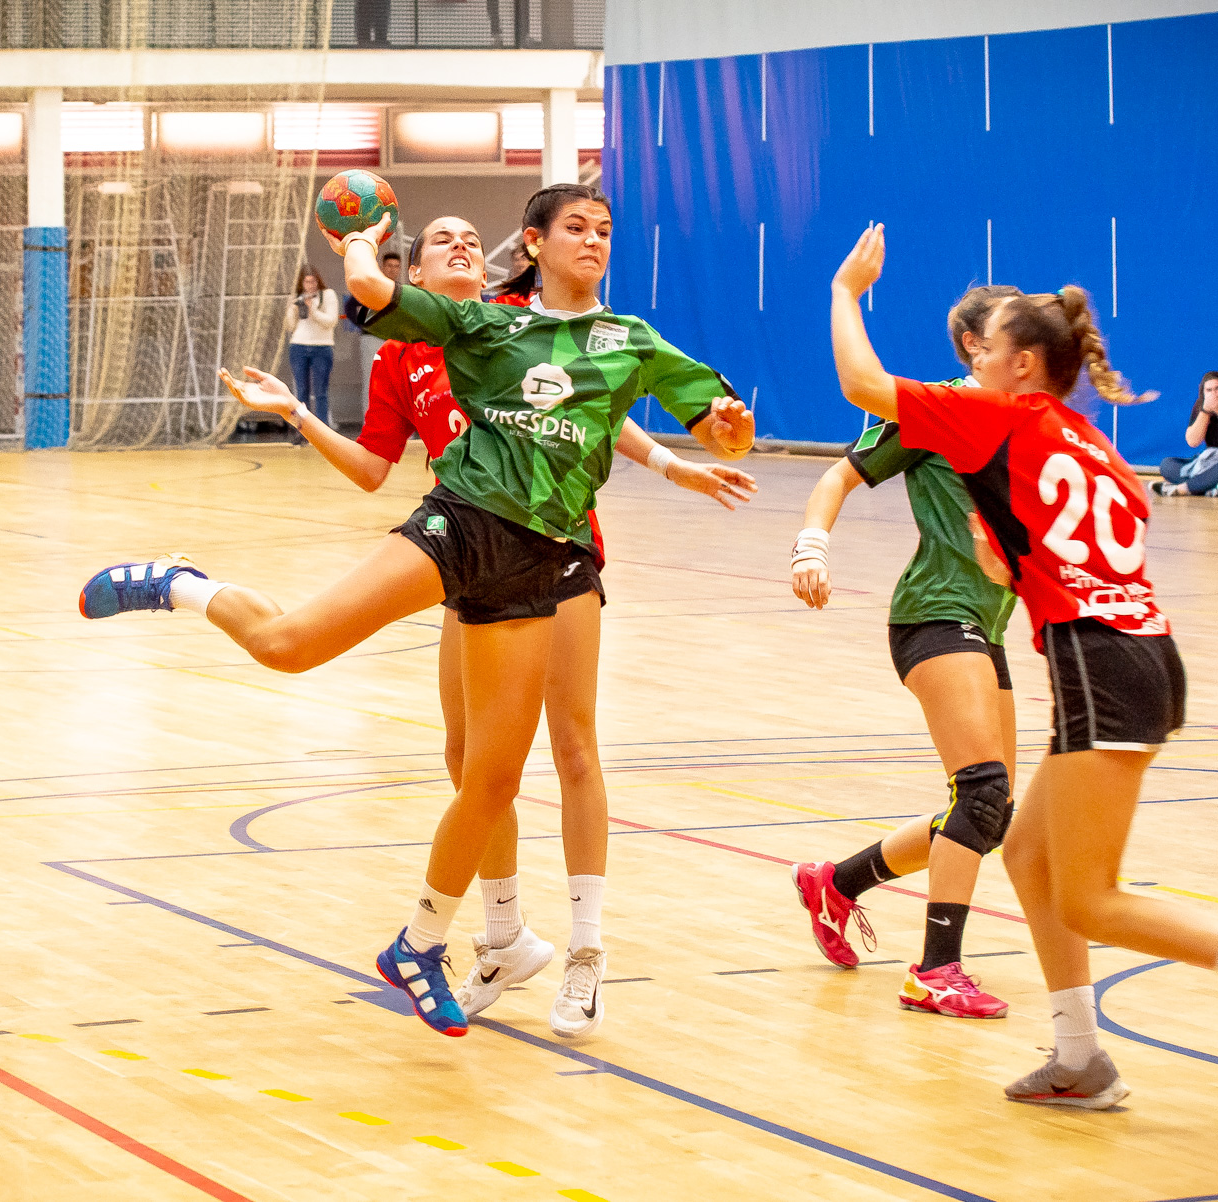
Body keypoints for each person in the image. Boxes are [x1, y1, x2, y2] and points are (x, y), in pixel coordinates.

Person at [78, 183, 756, 1040]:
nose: (594, 239)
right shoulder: (482, 325)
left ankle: (424, 942)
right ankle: (180, 583)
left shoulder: (631, 342)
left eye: (605, 229)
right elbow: (372, 309)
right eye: (575, 228)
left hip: (547, 562)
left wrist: (721, 436)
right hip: (462, 523)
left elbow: (720, 429)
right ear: (537, 246)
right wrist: (361, 240)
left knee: (493, 779)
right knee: (293, 649)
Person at [829, 223, 1218, 1108]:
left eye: (984, 349)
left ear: (1022, 363)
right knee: (1026, 849)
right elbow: (1115, 520)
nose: (972, 360)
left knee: (1091, 896)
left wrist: (846, 292)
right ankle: (1080, 1057)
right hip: (1136, 650)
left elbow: (862, 386)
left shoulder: (998, 416)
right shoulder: (1090, 441)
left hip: (1102, 662)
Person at [788, 285, 1021, 1020]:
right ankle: (936, 970)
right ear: (978, 344)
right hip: (934, 616)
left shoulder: (1027, 417)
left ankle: (838, 883)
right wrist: (811, 547)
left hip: (989, 622)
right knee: (980, 791)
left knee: (991, 811)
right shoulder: (939, 407)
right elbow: (840, 474)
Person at [1153, 373, 1218, 496]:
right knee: (1167, 465)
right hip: (1209, 461)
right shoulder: (1200, 405)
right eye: (1209, 390)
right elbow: (1193, 442)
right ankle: (1209, 487)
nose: (1214, 394)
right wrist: (1205, 412)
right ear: (1203, 392)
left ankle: (1182, 489)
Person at [286, 264, 339, 436]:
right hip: (299, 346)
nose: (310, 286)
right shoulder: (297, 296)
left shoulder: (327, 295)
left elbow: (331, 321)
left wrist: (312, 310)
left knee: (321, 391)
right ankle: (302, 431)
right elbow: (290, 326)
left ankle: (322, 432)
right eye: (307, 282)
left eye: (313, 281)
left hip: (322, 346)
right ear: (301, 284)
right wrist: (293, 308)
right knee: (301, 391)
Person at [355, 252, 404, 425]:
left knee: (398, 384)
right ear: (383, 266)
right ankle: (370, 425)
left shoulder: (402, 291)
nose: (392, 269)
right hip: (372, 340)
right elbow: (354, 309)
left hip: (395, 342)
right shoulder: (371, 286)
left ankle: (397, 425)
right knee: (371, 382)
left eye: (396, 266)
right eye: (389, 266)